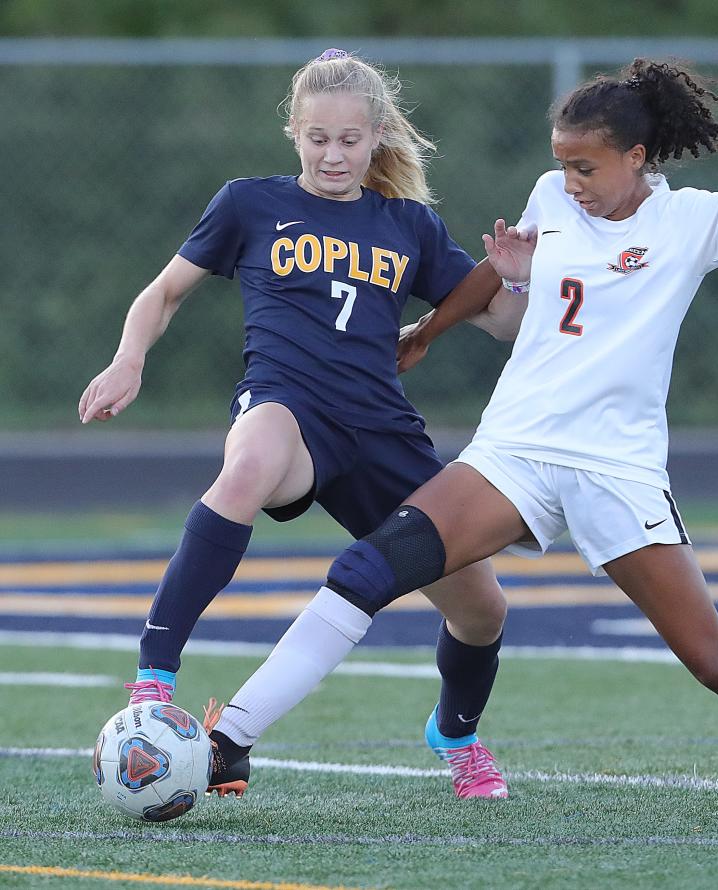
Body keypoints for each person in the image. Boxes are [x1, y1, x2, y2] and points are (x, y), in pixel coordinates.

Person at [204, 28, 718, 806]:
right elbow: (500, 267)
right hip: (516, 448)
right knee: (365, 571)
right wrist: (430, 330)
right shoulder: (553, 194)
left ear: (637, 157)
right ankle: (230, 741)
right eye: (563, 163)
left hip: (617, 470)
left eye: (586, 165)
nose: (571, 180)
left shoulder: (686, 222)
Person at [77, 49, 524, 800]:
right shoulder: (249, 204)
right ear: (294, 132)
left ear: (377, 135)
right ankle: (153, 677)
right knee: (247, 468)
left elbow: (507, 325)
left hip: (383, 432)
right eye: (318, 138)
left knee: (482, 610)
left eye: (350, 139)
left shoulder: (408, 224)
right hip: (287, 406)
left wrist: (517, 274)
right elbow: (163, 294)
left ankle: (457, 732)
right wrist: (129, 360)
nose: (333, 154)